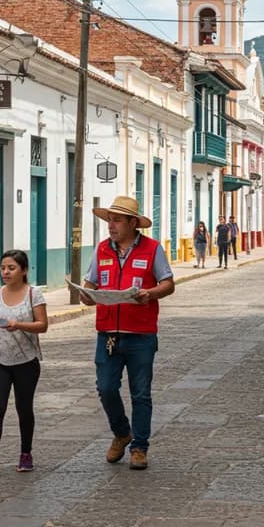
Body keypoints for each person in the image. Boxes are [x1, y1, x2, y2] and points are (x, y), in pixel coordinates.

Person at [81, 195, 175, 470]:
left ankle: (139, 447)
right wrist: (87, 295)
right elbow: (91, 282)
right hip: (108, 332)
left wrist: (151, 293)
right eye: (109, 219)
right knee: (106, 388)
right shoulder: (101, 250)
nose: (111, 225)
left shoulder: (152, 249)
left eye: (117, 220)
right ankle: (122, 433)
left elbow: (168, 284)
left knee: (141, 393)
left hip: (141, 333)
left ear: (133, 223)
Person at [0, 250, 48, 478]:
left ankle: (26, 453)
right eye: (3, 267)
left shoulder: (34, 294)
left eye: (12, 268)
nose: (6, 272)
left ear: (24, 270)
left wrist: (18, 324)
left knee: (24, 409)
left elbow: (42, 325)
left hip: (26, 361)